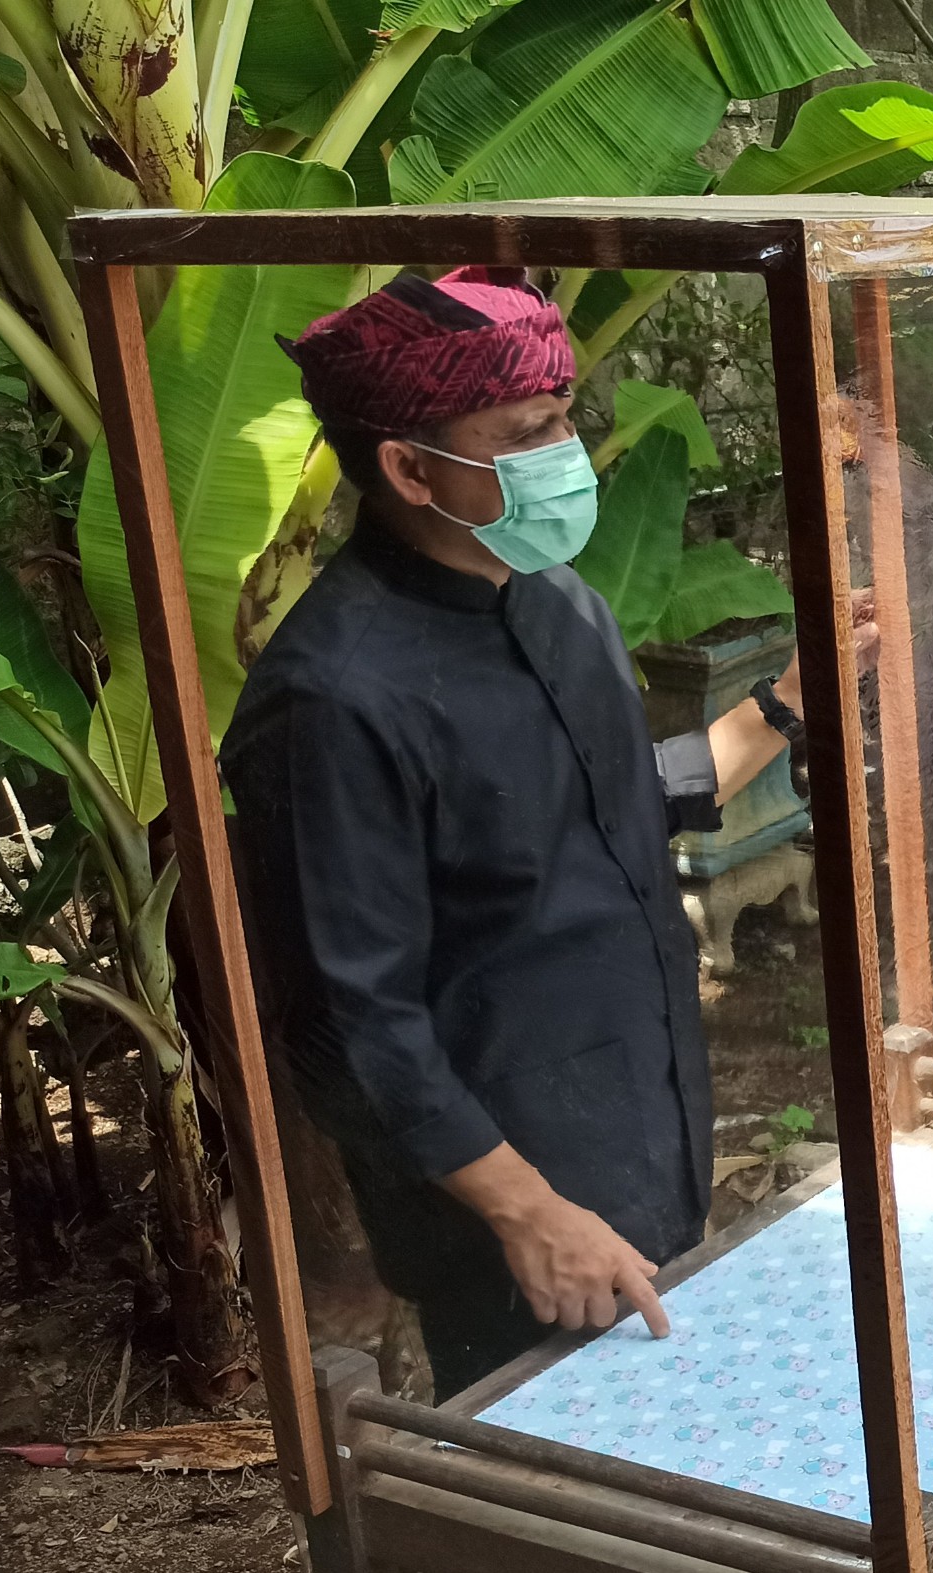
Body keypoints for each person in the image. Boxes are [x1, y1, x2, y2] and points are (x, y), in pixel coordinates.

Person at [226, 269, 851, 1398]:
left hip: (643, 1133)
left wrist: (789, 702)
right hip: (516, 1218)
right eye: (528, 433)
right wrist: (529, 1211)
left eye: (566, 416)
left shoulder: (557, 596)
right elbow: (346, 1017)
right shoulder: (331, 699)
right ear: (408, 468)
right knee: (575, 1527)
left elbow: (597, 806)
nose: (567, 450)